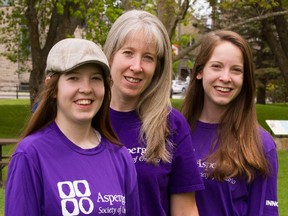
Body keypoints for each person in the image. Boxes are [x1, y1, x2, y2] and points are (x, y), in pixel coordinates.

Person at [5, 38, 140, 216]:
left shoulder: (120, 156)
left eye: (95, 78)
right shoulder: (30, 155)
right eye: (74, 78)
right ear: (52, 88)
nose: (86, 88)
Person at [103, 10, 204, 216]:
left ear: (158, 68)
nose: (137, 66)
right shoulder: (85, 119)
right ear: (111, 56)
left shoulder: (172, 124)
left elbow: (185, 211)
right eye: (128, 53)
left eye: (148, 58)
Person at [181, 30, 279, 216]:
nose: (225, 78)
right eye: (217, 66)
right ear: (200, 71)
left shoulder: (260, 144)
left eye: (236, 70)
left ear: (245, 79)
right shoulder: (177, 133)